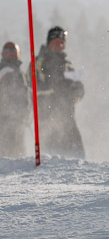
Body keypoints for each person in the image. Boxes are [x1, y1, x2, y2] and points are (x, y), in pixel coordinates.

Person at [31, 27, 85, 158]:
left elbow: (79, 87)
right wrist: (56, 88)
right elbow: (33, 82)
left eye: (62, 43)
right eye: (56, 42)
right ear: (49, 43)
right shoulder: (40, 60)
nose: (59, 46)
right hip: (48, 114)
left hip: (67, 115)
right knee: (52, 155)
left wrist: (75, 92)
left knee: (76, 154)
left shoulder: (67, 65)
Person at [0, 42, 29, 158]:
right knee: (7, 151)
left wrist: (26, 111)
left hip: (19, 119)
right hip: (5, 119)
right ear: (3, 54)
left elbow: (24, 94)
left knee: (18, 150)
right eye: (8, 51)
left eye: (14, 51)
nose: (11, 54)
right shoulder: (4, 71)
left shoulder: (19, 73)